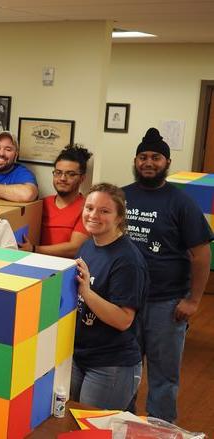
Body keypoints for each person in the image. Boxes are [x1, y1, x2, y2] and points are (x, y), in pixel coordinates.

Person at [122, 128, 212, 423]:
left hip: (167, 304)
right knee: (125, 368)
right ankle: (123, 423)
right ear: (135, 161)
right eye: (143, 157)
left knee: (163, 377)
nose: (149, 162)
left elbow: (201, 255)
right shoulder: (121, 196)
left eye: (156, 157)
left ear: (167, 162)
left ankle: (160, 429)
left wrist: (194, 301)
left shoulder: (181, 202)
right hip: (124, 302)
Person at [72, 183, 147, 410]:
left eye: (104, 211)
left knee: (94, 430)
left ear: (119, 218)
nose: (94, 215)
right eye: (89, 208)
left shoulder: (127, 260)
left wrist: (86, 292)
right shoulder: (87, 246)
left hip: (111, 364)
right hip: (79, 355)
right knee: (72, 425)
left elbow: (123, 320)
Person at [19, 144, 91, 257]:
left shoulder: (87, 208)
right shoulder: (41, 204)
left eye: (70, 174)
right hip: (33, 264)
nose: (62, 178)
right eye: (58, 172)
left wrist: (34, 249)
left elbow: (75, 248)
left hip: (66, 269)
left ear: (82, 179)